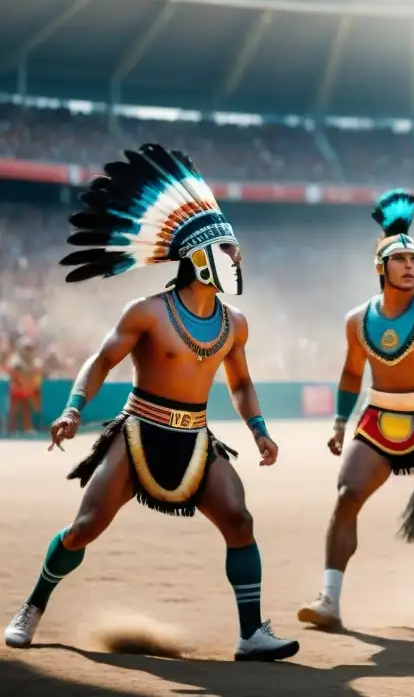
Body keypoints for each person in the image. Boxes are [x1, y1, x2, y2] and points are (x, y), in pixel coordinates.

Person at [2, 144, 299, 662]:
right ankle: (31, 607)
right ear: (200, 257)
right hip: (138, 433)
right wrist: (73, 408)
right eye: (228, 250)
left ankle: (251, 633)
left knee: (239, 520)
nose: (238, 258)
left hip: (198, 439)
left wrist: (258, 429)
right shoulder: (146, 311)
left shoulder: (235, 324)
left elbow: (242, 383)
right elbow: (100, 361)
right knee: (84, 528)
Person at [297, 189, 414, 631]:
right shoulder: (356, 320)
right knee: (347, 498)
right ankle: (330, 599)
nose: (409, 267)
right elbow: (350, 376)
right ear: (381, 268)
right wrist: (341, 423)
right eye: (399, 260)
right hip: (376, 422)